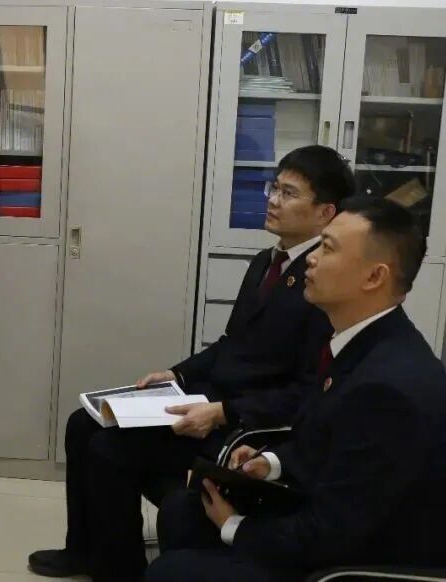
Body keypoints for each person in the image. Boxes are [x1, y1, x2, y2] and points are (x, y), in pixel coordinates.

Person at [29, 146, 354, 582]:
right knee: (82, 422)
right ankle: (83, 550)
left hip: (240, 426)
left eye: (289, 193)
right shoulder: (267, 262)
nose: (273, 200)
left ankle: (119, 571)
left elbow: (305, 393)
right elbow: (231, 344)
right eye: (274, 188)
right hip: (206, 401)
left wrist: (221, 412)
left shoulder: (322, 283)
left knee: (109, 449)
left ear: (325, 213)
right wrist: (177, 374)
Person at [148, 196, 446, 582]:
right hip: (326, 515)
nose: (311, 259)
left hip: (355, 561)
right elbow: (326, 439)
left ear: (374, 277)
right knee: (183, 511)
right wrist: (271, 463)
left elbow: (335, 531)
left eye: (328, 249)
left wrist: (235, 527)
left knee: (171, 572)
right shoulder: (360, 342)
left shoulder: (387, 388)